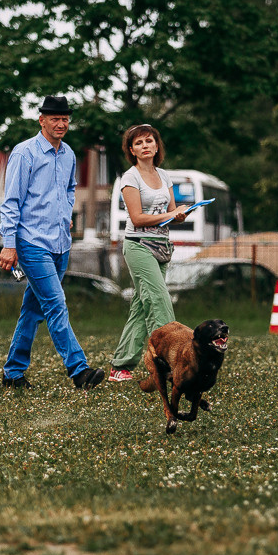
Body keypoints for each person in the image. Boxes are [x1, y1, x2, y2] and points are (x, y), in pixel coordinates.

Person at [0, 95, 105, 390]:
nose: (61, 124)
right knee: (56, 305)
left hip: (61, 243)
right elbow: (11, 201)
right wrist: (9, 244)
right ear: (41, 120)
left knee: (33, 310)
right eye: (55, 119)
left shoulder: (68, 153)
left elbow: (70, 188)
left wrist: (65, 214)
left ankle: (13, 373)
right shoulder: (25, 153)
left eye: (65, 119)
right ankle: (79, 370)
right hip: (31, 242)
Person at [109, 123, 193, 382]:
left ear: (157, 146)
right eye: (139, 143)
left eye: (149, 141)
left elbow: (169, 215)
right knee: (158, 300)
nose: (145, 146)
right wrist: (170, 214)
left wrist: (181, 214)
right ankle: (172, 361)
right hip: (138, 245)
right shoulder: (129, 178)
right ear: (131, 150)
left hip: (161, 246)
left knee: (142, 307)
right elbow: (137, 217)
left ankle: (121, 366)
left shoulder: (164, 175)